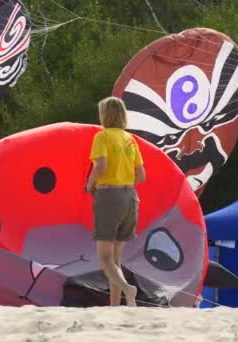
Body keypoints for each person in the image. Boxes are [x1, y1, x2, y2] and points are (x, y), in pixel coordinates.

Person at [86, 96, 146, 307]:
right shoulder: (130, 139)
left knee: (104, 259)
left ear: (105, 115)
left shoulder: (102, 137)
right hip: (130, 197)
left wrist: (90, 183)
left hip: (109, 196)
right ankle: (116, 305)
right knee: (116, 260)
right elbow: (141, 175)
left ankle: (129, 289)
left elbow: (100, 165)